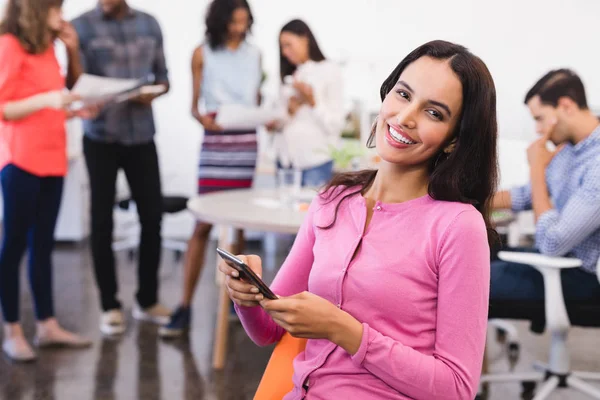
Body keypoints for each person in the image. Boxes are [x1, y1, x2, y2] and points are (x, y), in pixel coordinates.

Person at [220, 40, 498, 399]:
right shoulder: (332, 201)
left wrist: (345, 331)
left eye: (434, 113)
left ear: (454, 140)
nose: (405, 117)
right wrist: (247, 296)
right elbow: (269, 331)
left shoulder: (458, 226)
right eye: (403, 94)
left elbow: (457, 389)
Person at [159, 0, 262, 338]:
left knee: (240, 225)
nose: (239, 28)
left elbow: (256, 101)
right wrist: (204, 119)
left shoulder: (254, 54)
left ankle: (239, 301)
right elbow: (193, 107)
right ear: (220, 22)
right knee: (202, 223)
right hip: (217, 143)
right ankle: (185, 305)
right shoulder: (201, 53)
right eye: (234, 22)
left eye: (244, 22)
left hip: (245, 140)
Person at [0, 0, 95, 361]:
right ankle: (12, 330)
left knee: (43, 247)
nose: (61, 15)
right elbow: (5, 107)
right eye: (55, 7)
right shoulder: (8, 44)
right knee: (13, 248)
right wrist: (49, 99)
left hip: (53, 160)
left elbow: (52, 103)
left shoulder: (49, 49)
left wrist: (73, 108)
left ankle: (47, 325)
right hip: (20, 161)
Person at [69, 0, 171, 335]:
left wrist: (152, 92)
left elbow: (163, 78)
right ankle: (110, 306)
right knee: (101, 220)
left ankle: (147, 299)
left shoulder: (150, 24)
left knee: (152, 217)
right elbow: (74, 84)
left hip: (142, 135)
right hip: (100, 138)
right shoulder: (80, 26)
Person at [490, 69, 600, 325]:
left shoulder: (596, 162)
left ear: (566, 106)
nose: (539, 130)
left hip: (581, 275)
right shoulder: (570, 150)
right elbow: (528, 195)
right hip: (558, 261)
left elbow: (553, 243)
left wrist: (537, 168)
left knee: (461, 281)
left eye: (540, 119)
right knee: (477, 254)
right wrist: (462, 202)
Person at [267, 19, 345, 187]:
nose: (285, 52)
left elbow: (336, 125)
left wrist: (312, 102)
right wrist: (289, 111)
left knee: (311, 212)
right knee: (283, 212)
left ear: (304, 38)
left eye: (288, 45)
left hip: (315, 163)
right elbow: (281, 120)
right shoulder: (288, 76)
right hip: (285, 162)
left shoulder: (330, 71)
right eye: (282, 47)